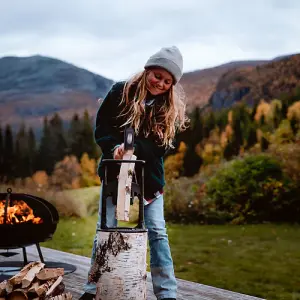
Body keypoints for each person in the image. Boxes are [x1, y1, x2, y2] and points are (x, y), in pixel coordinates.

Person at [80, 46, 189, 300]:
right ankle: (92, 288)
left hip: (148, 177)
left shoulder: (167, 108)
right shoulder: (120, 91)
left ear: (172, 85)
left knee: (157, 231)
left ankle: (167, 293)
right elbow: (102, 128)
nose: (160, 83)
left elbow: (159, 147)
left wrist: (133, 149)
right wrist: (114, 148)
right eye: (157, 76)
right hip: (114, 173)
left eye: (167, 81)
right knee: (105, 229)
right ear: (148, 69)